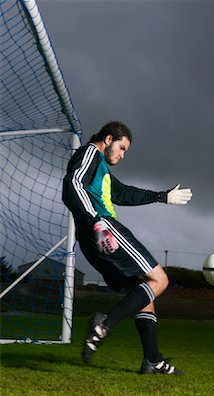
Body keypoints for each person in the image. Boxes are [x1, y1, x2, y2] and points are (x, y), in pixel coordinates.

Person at [62, 121, 192, 374]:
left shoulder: (102, 172)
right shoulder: (91, 154)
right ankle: (104, 325)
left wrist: (162, 196)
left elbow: (123, 194)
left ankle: (153, 361)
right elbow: (72, 185)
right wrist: (97, 223)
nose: (122, 155)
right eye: (122, 148)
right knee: (159, 280)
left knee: (142, 290)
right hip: (103, 228)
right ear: (109, 139)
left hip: (94, 238)